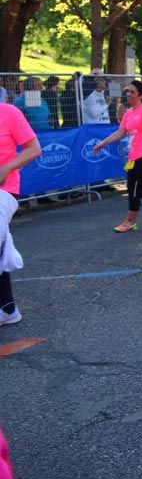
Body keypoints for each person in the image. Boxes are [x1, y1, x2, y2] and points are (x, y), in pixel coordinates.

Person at [92, 80, 142, 232]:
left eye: (132, 92)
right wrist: (103, 143)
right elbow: (120, 132)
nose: (128, 94)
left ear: (141, 96)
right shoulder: (128, 113)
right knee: (135, 188)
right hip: (133, 156)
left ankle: (130, 221)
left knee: (133, 187)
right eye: (128, 91)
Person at [0, 101, 41, 326]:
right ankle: (7, 308)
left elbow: (34, 148)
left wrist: (6, 168)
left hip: (4, 189)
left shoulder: (8, 112)